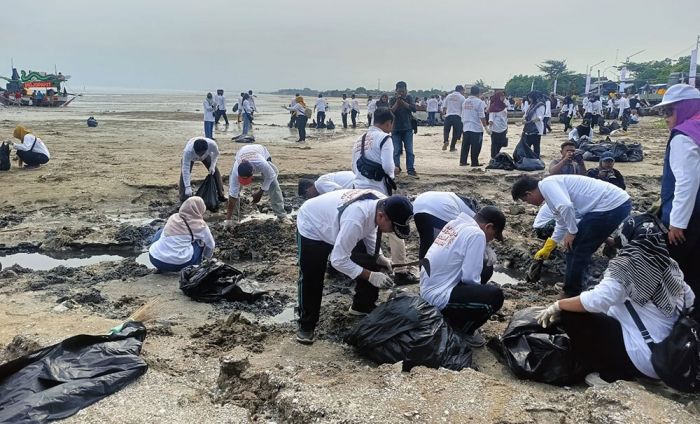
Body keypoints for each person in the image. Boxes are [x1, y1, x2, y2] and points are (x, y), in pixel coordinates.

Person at [535, 214, 696, 383]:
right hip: (671, 356)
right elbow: (690, 300)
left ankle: (610, 374)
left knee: (571, 314)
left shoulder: (626, 266)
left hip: (645, 358)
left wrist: (558, 305)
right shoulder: (670, 264)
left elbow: (596, 301)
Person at [295, 190, 414, 344]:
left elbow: (369, 233)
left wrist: (380, 258)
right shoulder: (356, 219)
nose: (391, 232)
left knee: (371, 259)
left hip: (339, 222)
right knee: (312, 275)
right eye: (392, 227)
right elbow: (338, 260)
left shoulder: (382, 204)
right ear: (381, 216)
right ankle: (306, 325)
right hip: (313, 225)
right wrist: (371, 276)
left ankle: (362, 305)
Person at [511, 175, 631, 297]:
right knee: (576, 246)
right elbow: (561, 222)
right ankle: (611, 245)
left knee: (577, 248)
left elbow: (566, 206)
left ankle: (571, 293)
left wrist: (572, 232)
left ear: (529, 194)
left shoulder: (547, 185)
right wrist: (549, 246)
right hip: (611, 205)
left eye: (525, 201)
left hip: (612, 205)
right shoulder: (549, 194)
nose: (529, 204)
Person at [420, 206, 506, 347]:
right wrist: (480, 300)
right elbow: (470, 279)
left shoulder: (456, 223)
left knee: (486, 269)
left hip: (428, 287)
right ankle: (463, 330)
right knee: (494, 296)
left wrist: (485, 250)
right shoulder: (477, 234)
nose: (491, 240)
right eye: (493, 235)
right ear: (489, 226)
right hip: (437, 296)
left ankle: (456, 314)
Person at [351, 108, 417, 285]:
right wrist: (393, 173)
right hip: (378, 192)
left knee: (365, 229)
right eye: (391, 125)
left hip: (357, 190)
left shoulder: (360, 139)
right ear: (389, 123)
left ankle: (368, 264)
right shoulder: (385, 138)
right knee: (395, 227)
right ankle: (401, 270)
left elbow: (354, 167)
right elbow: (389, 167)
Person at [654, 83, 700, 301]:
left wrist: (677, 222)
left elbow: (687, 181)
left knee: (682, 273)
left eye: (669, 112)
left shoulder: (683, 136)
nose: (666, 119)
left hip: (689, 221)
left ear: (684, 108)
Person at [148, 196, 215, 273]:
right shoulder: (201, 226)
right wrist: (206, 258)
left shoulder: (173, 217)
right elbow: (211, 245)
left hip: (155, 259)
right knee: (201, 243)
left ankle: (161, 266)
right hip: (178, 265)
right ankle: (197, 267)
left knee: (161, 232)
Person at [225, 144, 287, 224]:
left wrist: (261, 191)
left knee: (274, 184)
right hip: (242, 151)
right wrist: (228, 220)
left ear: (252, 174)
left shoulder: (261, 163)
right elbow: (232, 196)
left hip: (261, 152)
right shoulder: (236, 171)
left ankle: (282, 216)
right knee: (234, 191)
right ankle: (233, 220)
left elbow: (271, 175)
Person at [412, 191, 478, 259]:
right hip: (440, 209)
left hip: (418, 204)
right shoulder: (473, 214)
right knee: (441, 246)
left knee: (426, 242)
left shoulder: (460, 201)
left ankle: (423, 268)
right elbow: (474, 235)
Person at [179, 137, 225, 201]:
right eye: (198, 153)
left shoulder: (212, 145)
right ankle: (183, 197)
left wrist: (212, 165)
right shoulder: (188, 151)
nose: (200, 156)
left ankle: (221, 194)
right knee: (183, 175)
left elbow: (216, 154)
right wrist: (187, 187)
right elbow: (185, 169)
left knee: (215, 171)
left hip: (206, 156)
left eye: (202, 153)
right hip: (192, 158)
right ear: (194, 150)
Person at [389, 81, 418, 177]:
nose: (401, 93)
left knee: (409, 151)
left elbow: (414, 109)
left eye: (403, 91)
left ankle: (410, 169)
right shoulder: (393, 99)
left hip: (408, 128)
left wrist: (404, 103)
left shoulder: (409, 98)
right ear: (396, 91)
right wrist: (397, 102)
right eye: (399, 91)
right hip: (395, 129)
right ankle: (396, 169)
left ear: (406, 90)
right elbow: (391, 112)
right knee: (396, 151)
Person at [460, 86, 488, 167]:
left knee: (465, 145)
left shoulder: (465, 101)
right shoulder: (479, 102)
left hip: (466, 127)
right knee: (476, 146)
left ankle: (463, 161)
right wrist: (486, 127)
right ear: (478, 93)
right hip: (476, 128)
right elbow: (482, 116)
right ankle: (474, 162)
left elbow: (463, 114)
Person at [522, 92, 545, 158]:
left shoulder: (540, 105)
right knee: (527, 145)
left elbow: (539, 117)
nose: (529, 99)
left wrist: (529, 122)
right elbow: (526, 114)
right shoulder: (531, 105)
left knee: (536, 146)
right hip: (528, 129)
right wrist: (523, 119)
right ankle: (528, 158)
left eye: (530, 98)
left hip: (536, 129)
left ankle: (536, 159)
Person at [442, 85, 465, 152]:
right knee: (455, 132)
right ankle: (452, 147)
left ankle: (446, 141)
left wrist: (443, 114)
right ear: (461, 90)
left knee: (446, 130)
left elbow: (444, 107)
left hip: (448, 116)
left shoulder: (448, 96)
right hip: (457, 116)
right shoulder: (462, 97)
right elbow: (463, 108)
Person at [487, 90, 508, 159]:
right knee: (494, 144)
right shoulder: (493, 107)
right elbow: (491, 119)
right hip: (495, 129)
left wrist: (507, 127)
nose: (503, 97)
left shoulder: (504, 105)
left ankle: (497, 155)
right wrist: (489, 129)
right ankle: (493, 158)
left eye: (503, 96)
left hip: (503, 128)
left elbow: (505, 117)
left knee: (501, 143)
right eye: (501, 96)